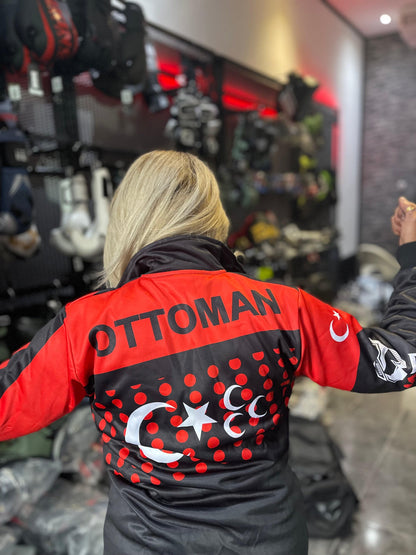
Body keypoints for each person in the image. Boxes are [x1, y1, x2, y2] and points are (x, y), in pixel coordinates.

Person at [1, 150, 416, 555]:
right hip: (269, 539)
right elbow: (402, 361)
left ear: (128, 218)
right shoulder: (284, 307)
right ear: (214, 217)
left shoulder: (88, 326)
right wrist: (412, 257)